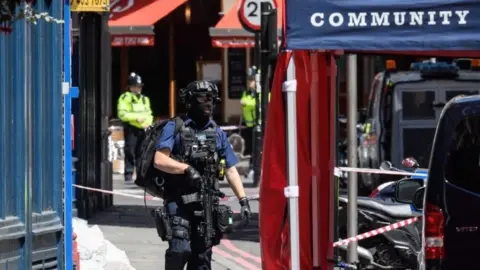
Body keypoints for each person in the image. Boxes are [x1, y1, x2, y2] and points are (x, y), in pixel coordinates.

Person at [154, 80, 252, 270]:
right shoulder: (175, 127)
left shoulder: (217, 133)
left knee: (201, 260)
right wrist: (186, 169)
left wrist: (244, 200)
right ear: (190, 101)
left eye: (211, 99)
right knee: (179, 250)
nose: (208, 103)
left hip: (207, 204)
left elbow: (231, 169)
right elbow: (159, 159)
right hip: (179, 202)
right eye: (202, 98)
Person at [117, 72, 153, 182]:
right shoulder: (125, 97)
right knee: (130, 151)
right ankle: (128, 174)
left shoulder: (144, 99)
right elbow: (122, 114)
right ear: (131, 86)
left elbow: (149, 113)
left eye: (140, 86)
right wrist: (136, 118)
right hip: (131, 128)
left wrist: (148, 123)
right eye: (137, 86)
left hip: (143, 129)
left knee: (141, 152)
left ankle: (140, 175)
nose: (139, 88)